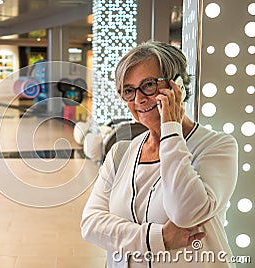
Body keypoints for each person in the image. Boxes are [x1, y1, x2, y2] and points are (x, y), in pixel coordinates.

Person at [81, 41, 238, 268]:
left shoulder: (217, 147)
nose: (138, 99)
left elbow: (185, 213)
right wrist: (160, 238)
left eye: (149, 85)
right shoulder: (120, 153)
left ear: (179, 87)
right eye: (128, 90)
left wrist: (171, 128)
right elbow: (91, 224)